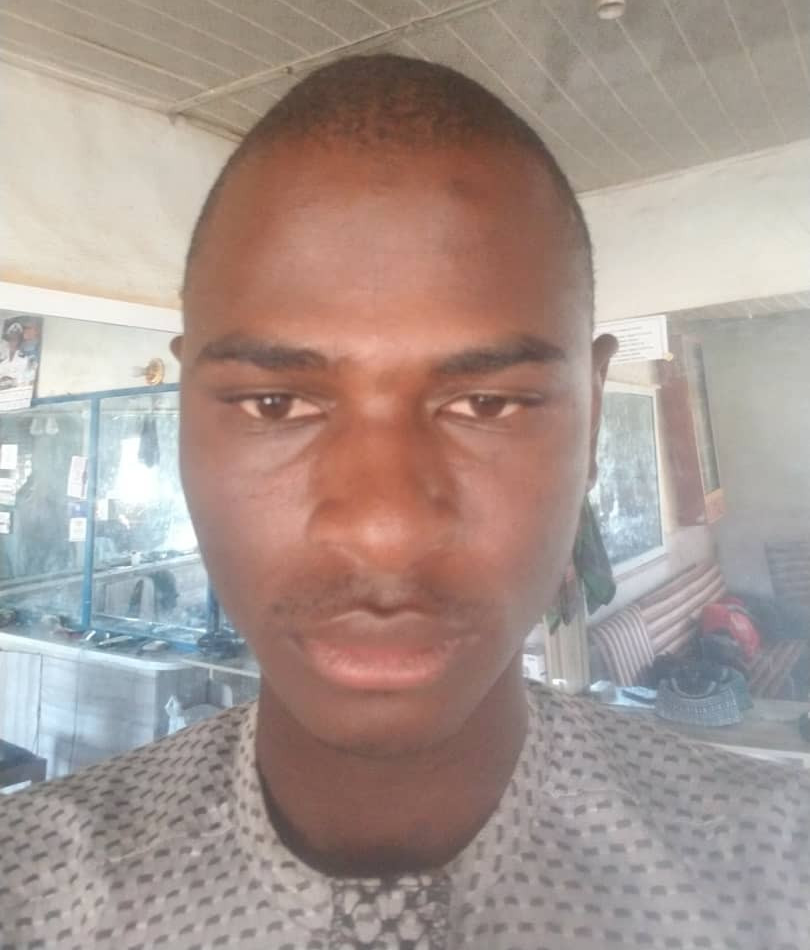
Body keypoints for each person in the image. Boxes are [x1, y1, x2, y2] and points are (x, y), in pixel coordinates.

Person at [1, 56, 808, 950]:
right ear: (185, 409)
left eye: (487, 404)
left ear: (589, 421)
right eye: (275, 404)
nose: (383, 531)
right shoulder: (30, 895)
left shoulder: (778, 877)